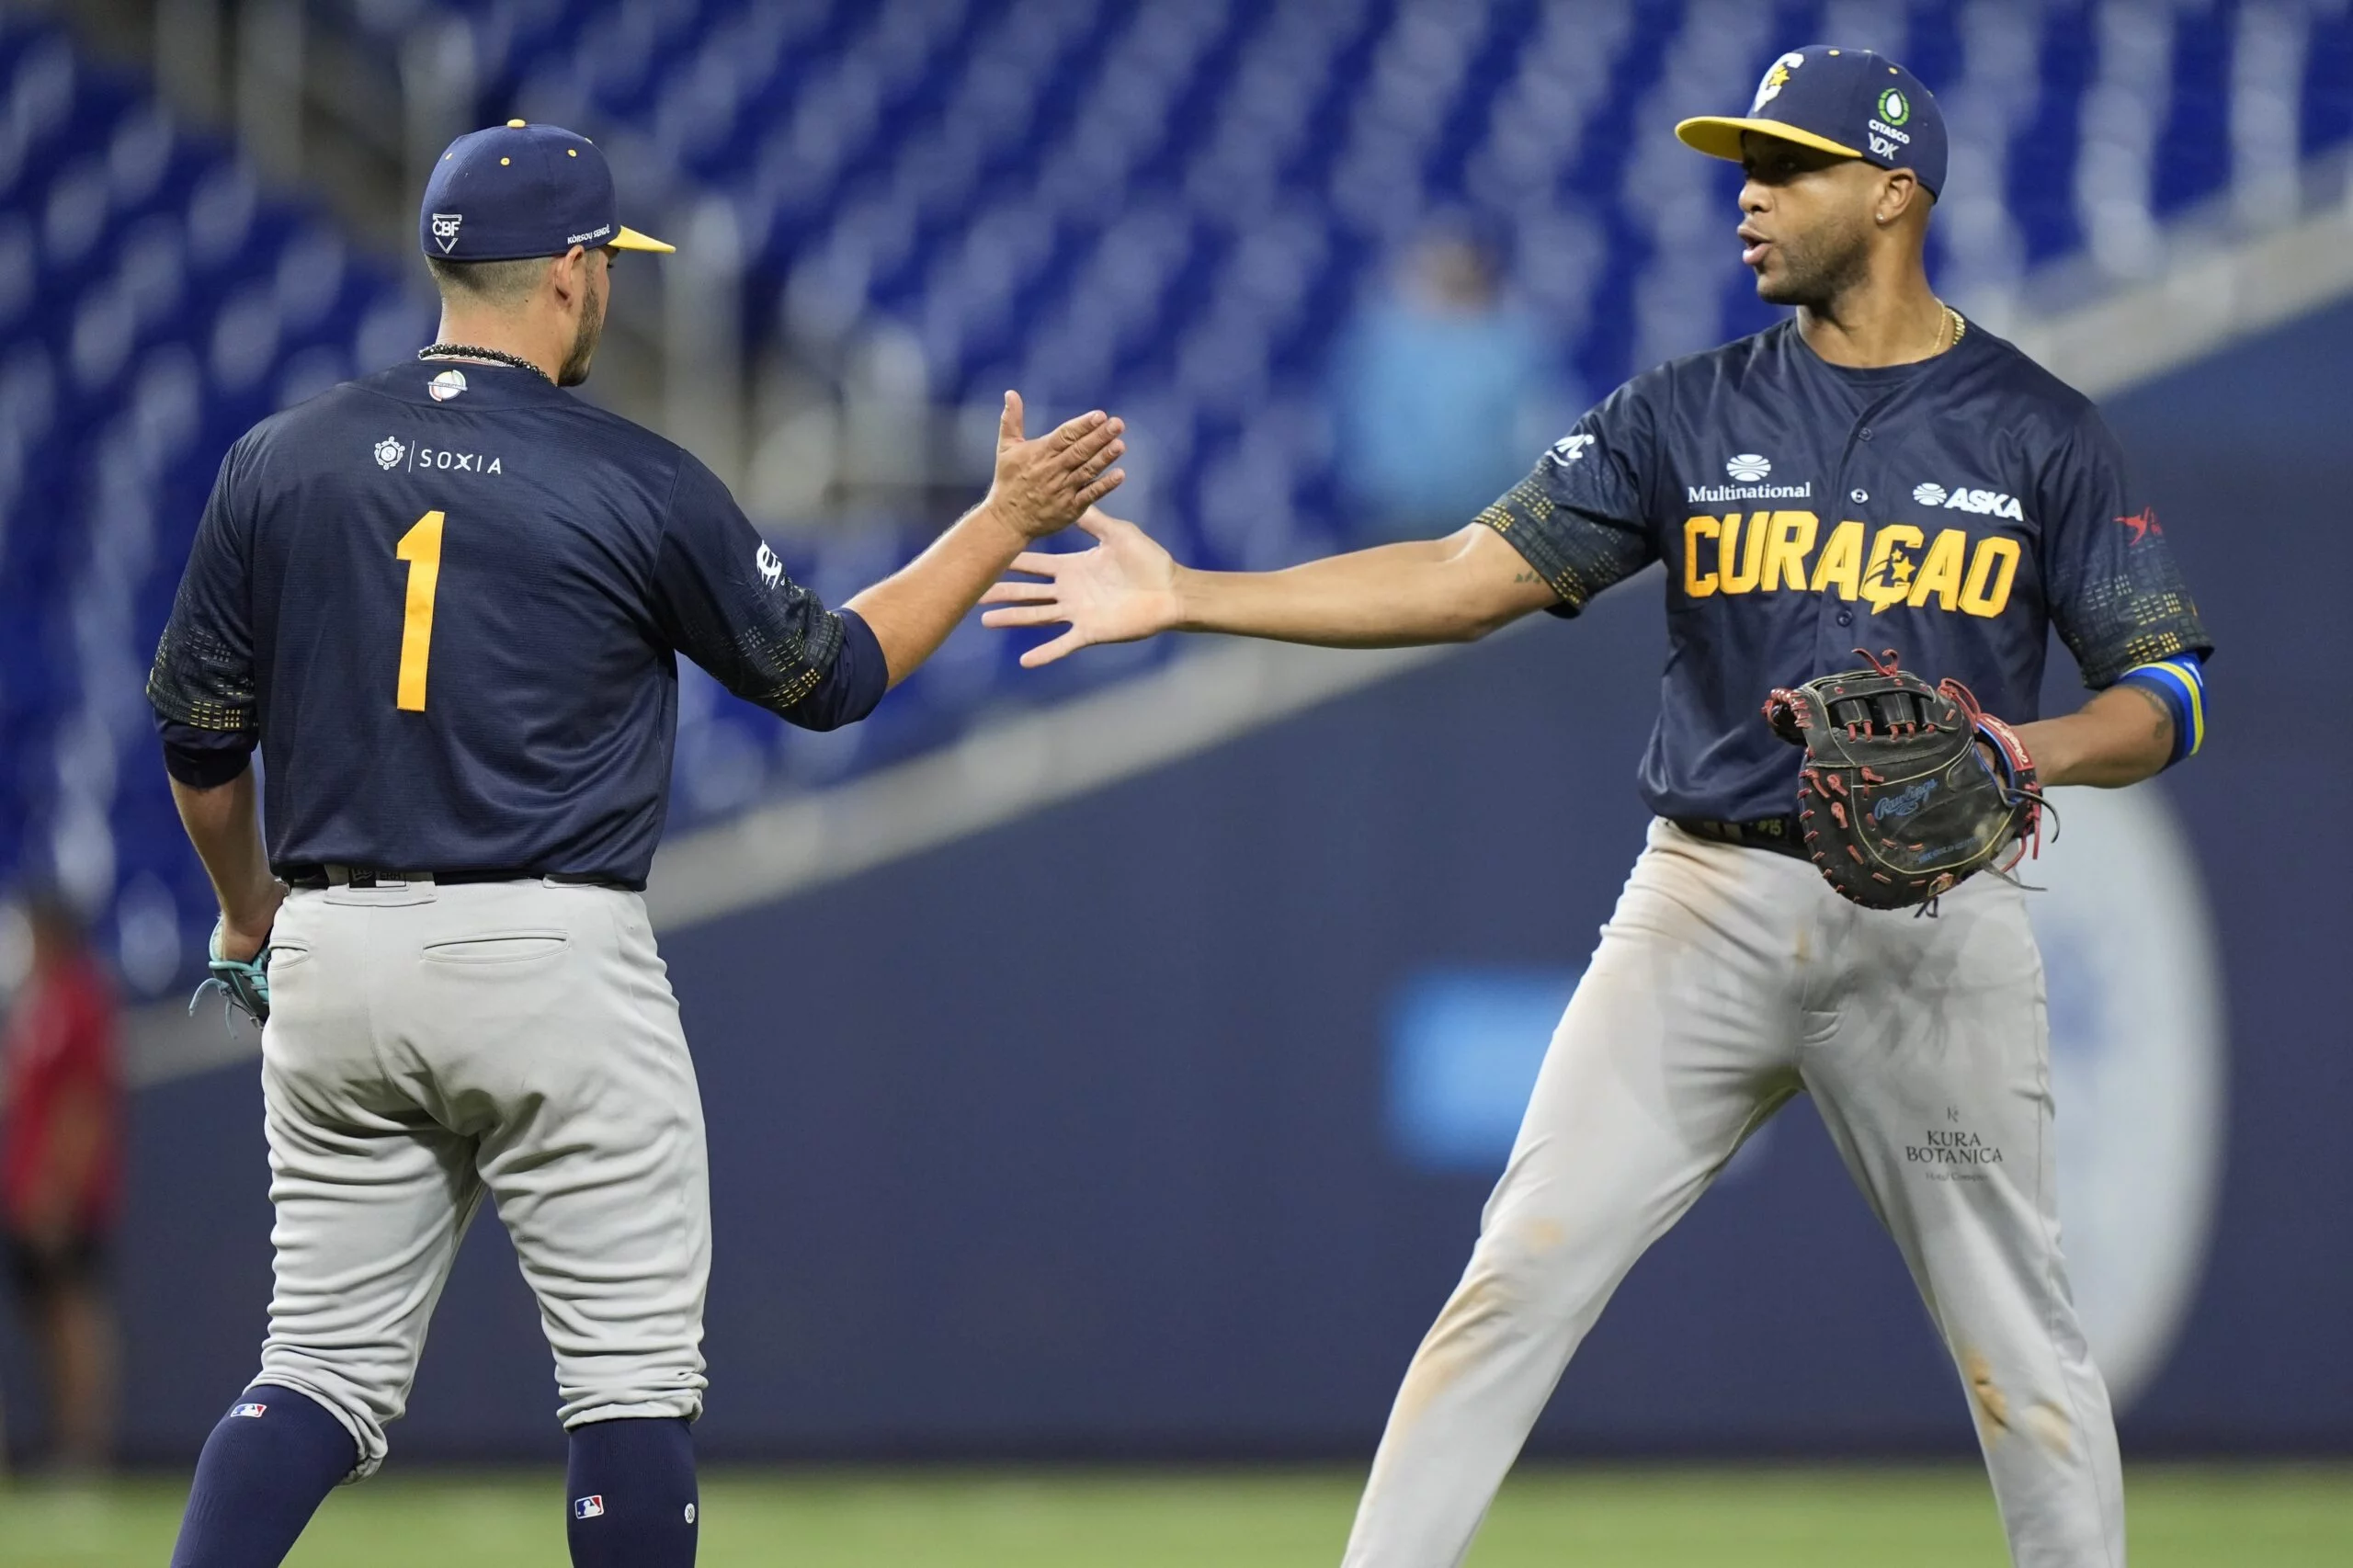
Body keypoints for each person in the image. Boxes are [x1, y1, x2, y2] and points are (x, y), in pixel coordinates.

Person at [981, 46, 2211, 1568]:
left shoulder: (2039, 429)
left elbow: (2165, 698)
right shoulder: (1686, 415)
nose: (1747, 199)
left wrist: (2026, 754)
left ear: (1895, 195)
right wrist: (1191, 594)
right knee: (1520, 1270)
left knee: (2022, 1351)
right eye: (1742, 167)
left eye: (1789, 168)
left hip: (1932, 931)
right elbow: (1461, 573)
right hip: (1705, 909)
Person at [145, 119, 1123, 1568]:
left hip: (335, 949)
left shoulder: (280, 459)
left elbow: (201, 747)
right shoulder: (632, 477)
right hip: (549, 954)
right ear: (576, 275)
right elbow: (830, 678)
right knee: (628, 1386)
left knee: (317, 1375)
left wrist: (249, 914)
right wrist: (999, 523)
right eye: (607, 267)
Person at [1, 887, 123, 1473]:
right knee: (44, 1316)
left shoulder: (79, 1000)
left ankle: (83, 1450)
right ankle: (64, 1444)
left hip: (60, 1194)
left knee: (72, 1316)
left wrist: (59, 1187)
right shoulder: (35, 1002)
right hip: (24, 1187)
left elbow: (82, 1103)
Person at [1329, 224, 1554, 541]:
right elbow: (1365, 425)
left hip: (1490, 518)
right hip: (1397, 518)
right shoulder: (1386, 342)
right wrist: (1392, 491)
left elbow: (1534, 431)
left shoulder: (1514, 343)